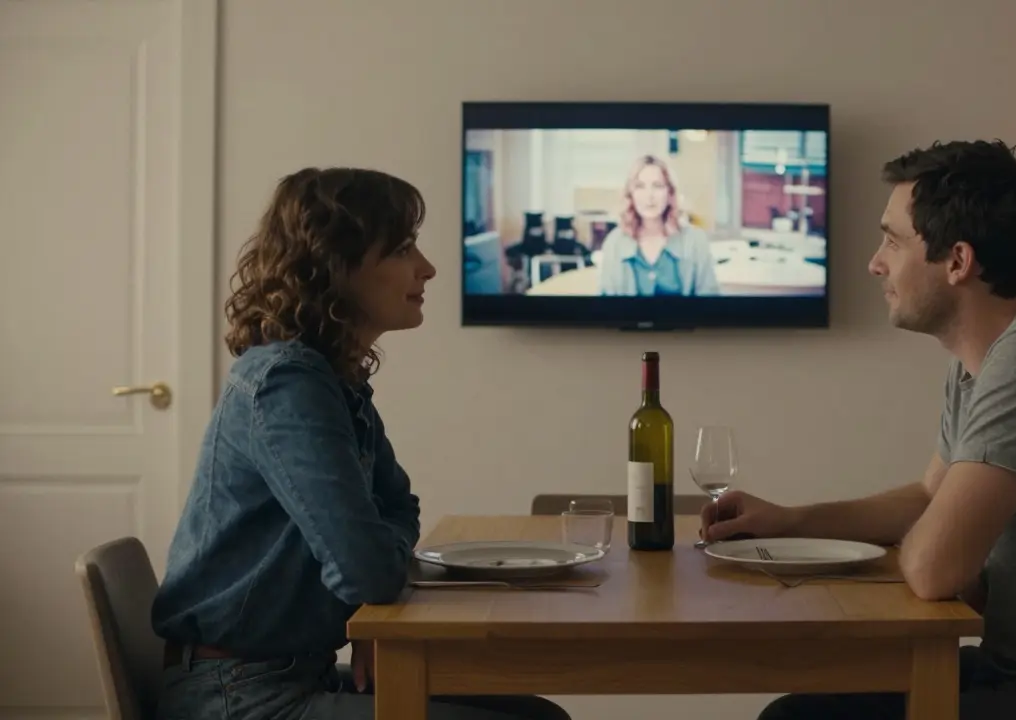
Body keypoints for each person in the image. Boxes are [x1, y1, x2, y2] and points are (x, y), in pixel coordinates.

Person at [701, 141, 1016, 720]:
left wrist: (941, 550)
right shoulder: (981, 362)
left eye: (892, 240)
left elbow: (935, 570)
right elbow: (932, 496)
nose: (874, 263)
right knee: (803, 705)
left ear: (958, 261)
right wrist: (791, 520)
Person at [151, 167, 571, 720]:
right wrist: (373, 587)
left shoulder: (332, 379)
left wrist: (372, 598)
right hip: (239, 694)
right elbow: (367, 566)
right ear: (335, 266)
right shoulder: (288, 384)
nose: (428, 268)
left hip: (292, 671)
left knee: (539, 716)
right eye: (401, 249)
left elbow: (399, 509)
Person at [598, 154, 721, 296]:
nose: (649, 195)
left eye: (658, 186)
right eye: (640, 186)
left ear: (670, 194)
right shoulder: (614, 243)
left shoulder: (695, 241)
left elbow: (711, 305)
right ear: (631, 195)